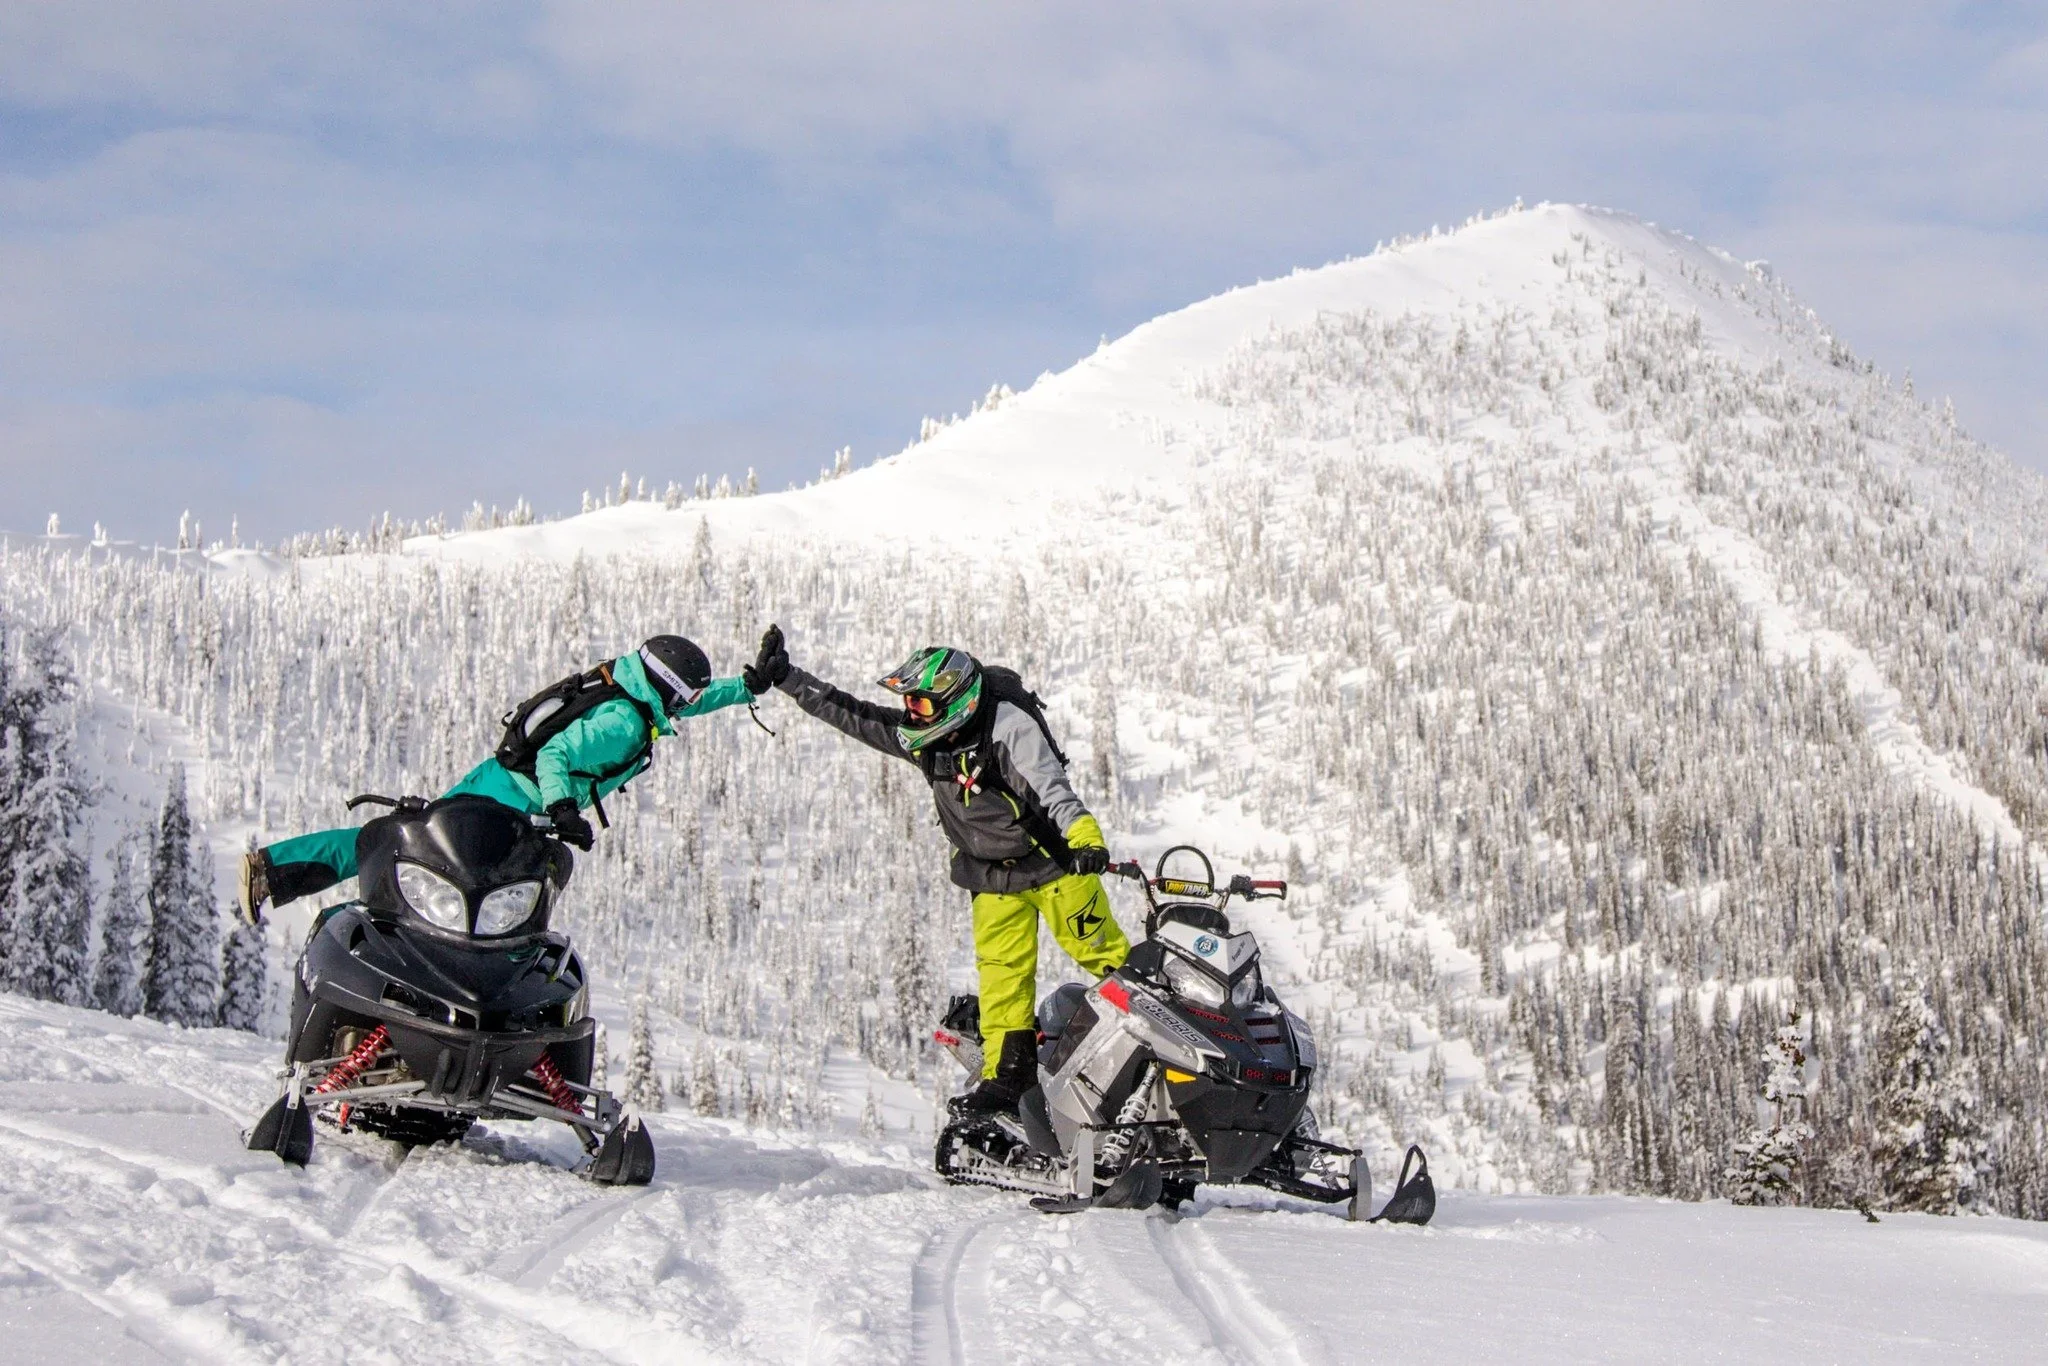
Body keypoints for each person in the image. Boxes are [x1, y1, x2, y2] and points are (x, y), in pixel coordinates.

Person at [745, 625, 1128, 1116]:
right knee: (1003, 979)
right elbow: (855, 715)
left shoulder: (1008, 729)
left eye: (920, 703)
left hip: (1056, 866)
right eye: (909, 703)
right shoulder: (927, 738)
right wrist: (788, 679)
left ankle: (1157, 1042)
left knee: (1102, 954)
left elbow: (1055, 792)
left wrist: (1087, 842)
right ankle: (1008, 1078)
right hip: (991, 879)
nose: (911, 712)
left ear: (955, 701)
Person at [238, 635, 759, 922]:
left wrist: (748, 686)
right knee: (421, 865)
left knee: (414, 852)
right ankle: (336, 922)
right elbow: (556, 752)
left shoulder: (630, 687)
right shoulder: (624, 722)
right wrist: (562, 809)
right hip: (510, 803)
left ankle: (274, 871)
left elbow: (685, 704)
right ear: (666, 687)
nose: (689, 704)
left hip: (501, 784)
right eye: (686, 695)